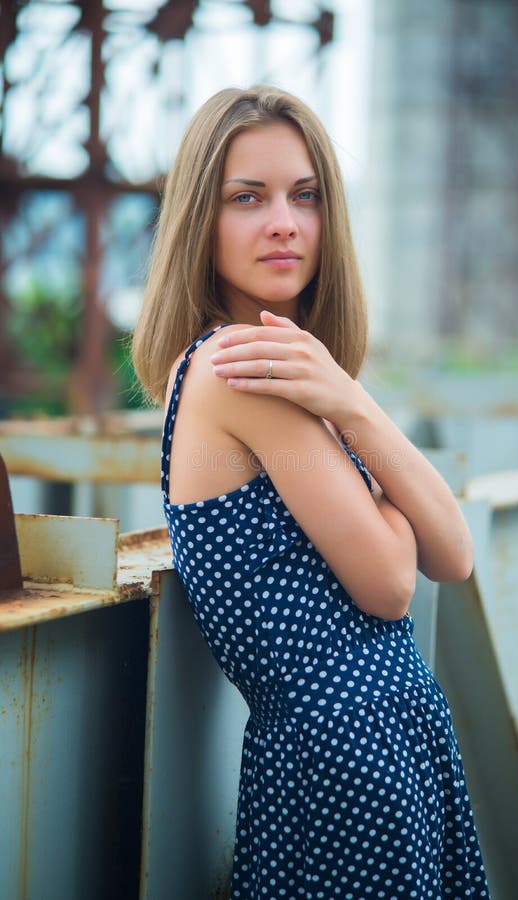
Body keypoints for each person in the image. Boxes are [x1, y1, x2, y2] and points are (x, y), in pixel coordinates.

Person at [132, 85, 490, 899]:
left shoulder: (300, 374)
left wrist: (348, 401)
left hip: (384, 740)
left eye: (305, 196)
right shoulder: (237, 370)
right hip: (342, 760)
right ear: (200, 221)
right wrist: (356, 417)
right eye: (246, 198)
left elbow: (454, 554)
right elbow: (393, 583)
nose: (284, 223)